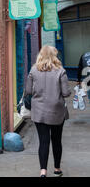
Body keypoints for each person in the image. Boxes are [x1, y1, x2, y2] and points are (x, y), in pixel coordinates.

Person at [25, 45, 71, 177]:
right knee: (56, 140)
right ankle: (57, 169)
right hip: (57, 111)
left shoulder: (34, 70)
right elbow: (66, 93)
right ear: (54, 55)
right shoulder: (60, 70)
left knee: (43, 141)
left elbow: (28, 91)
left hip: (39, 111)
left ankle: (43, 171)